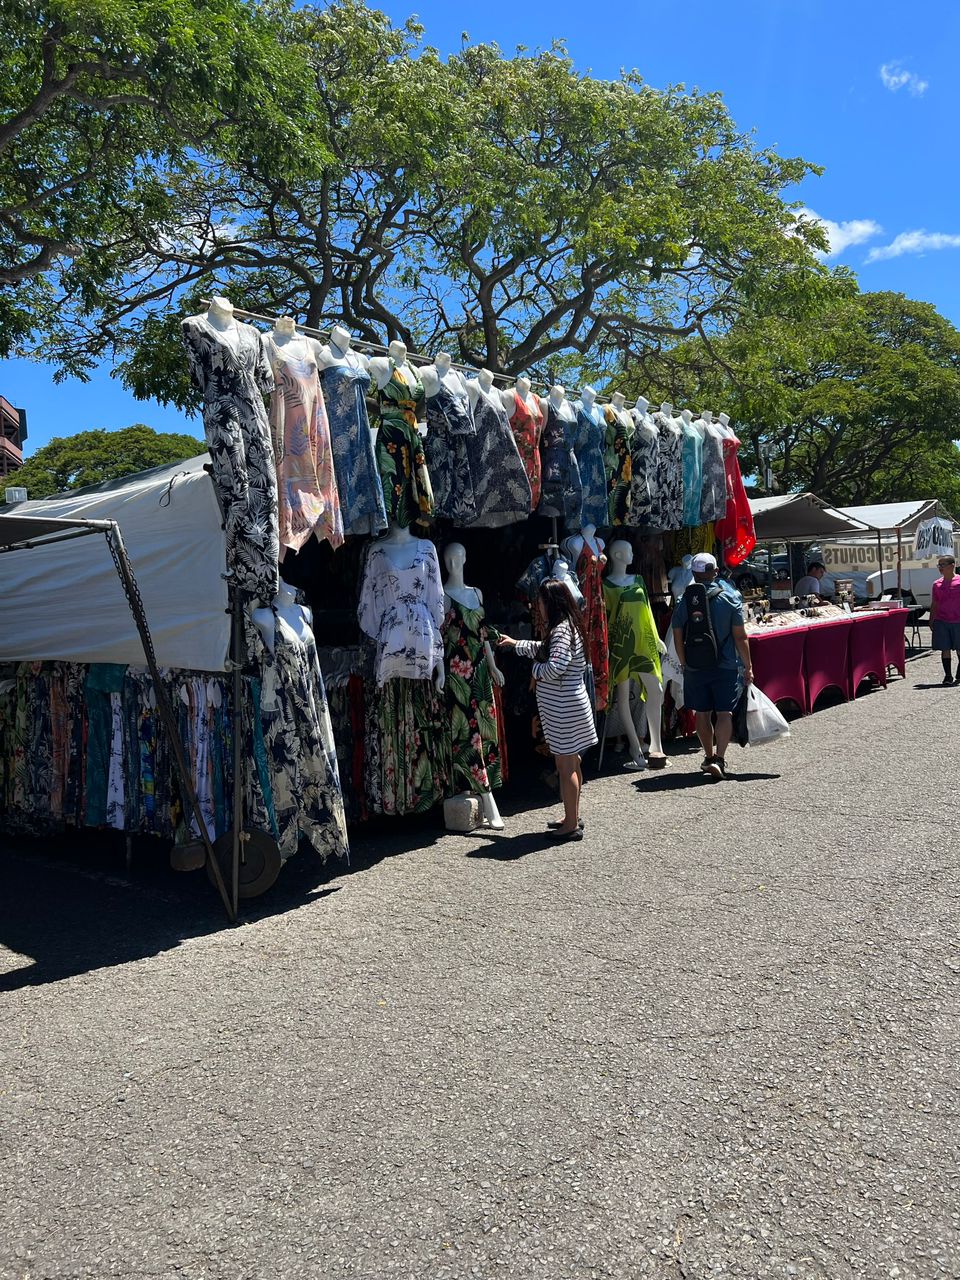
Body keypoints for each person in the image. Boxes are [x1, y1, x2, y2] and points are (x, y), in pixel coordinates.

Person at [498, 579, 597, 840]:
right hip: (568, 706)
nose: (536, 606)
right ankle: (571, 814)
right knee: (571, 762)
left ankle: (571, 825)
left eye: (540, 601)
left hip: (564, 709)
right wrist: (515, 644)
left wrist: (534, 672)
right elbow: (543, 649)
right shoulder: (566, 627)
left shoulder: (562, 630)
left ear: (550, 603)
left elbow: (555, 665)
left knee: (566, 766)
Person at [671, 552, 754, 780]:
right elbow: (740, 636)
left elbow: (677, 635)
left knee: (702, 713)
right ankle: (720, 757)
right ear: (715, 571)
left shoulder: (684, 600)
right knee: (724, 713)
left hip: (695, 665)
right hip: (725, 664)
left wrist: (684, 661)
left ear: (694, 574)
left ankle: (708, 757)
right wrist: (748, 666)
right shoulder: (731, 597)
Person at [929, 554, 960, 685]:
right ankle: (948, 676)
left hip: (958, 620)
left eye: (943, 565)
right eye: (939, 565)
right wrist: (931, 619)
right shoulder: (936, 584)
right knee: (944, 648)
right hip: (942, 619)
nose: (940, 568)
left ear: (952, 566)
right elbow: (934, 603)